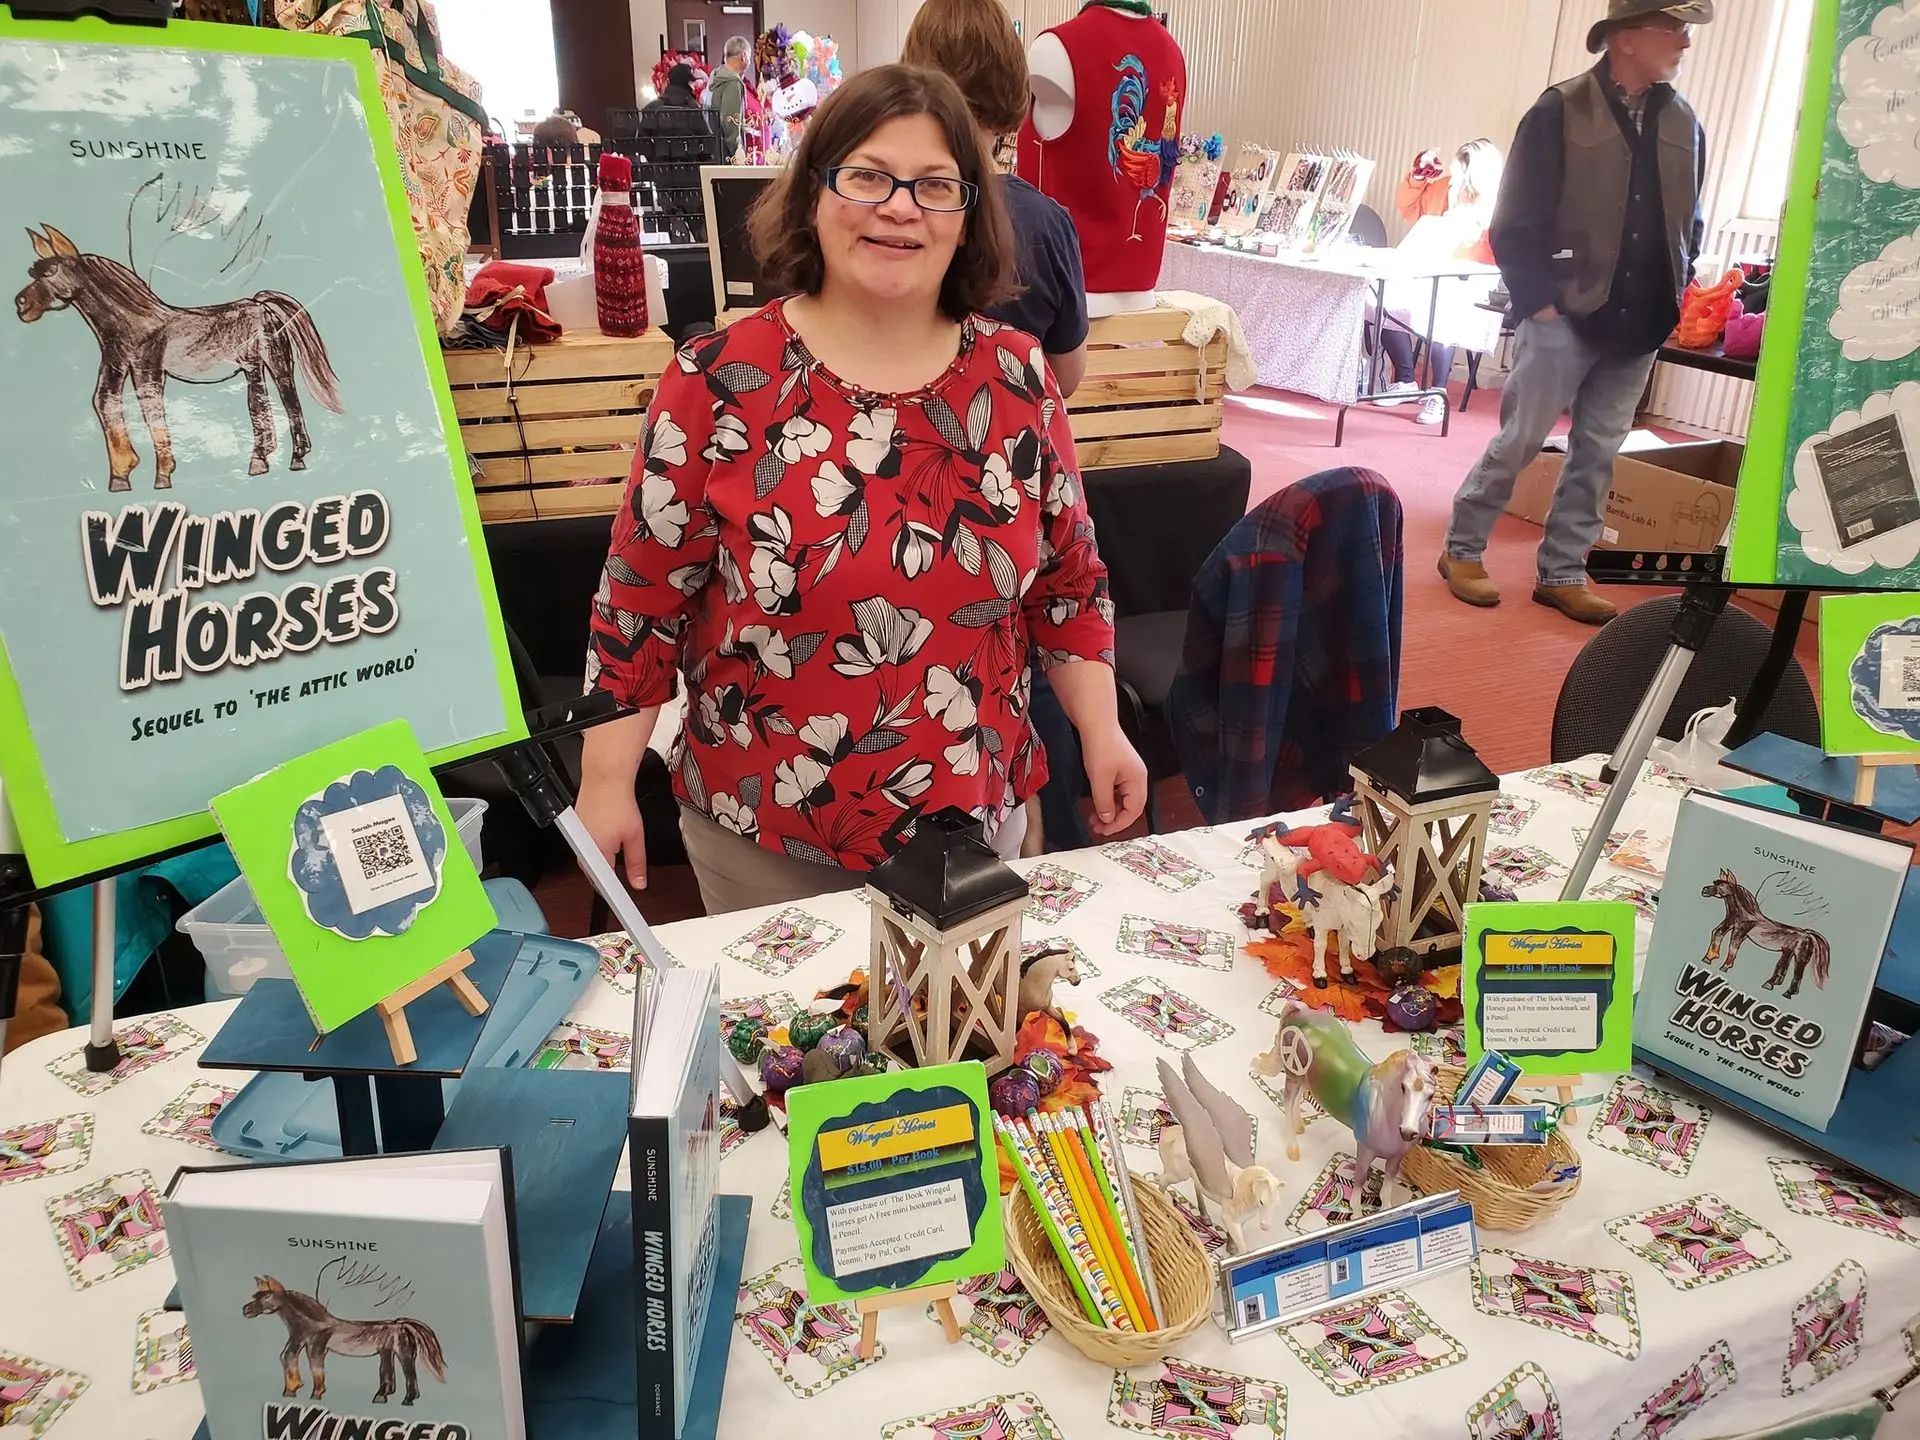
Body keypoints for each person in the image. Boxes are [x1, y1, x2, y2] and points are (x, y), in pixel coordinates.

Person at [576, 64, 1147, 915]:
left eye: (935, 185)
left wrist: (1102, 728)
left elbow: (1067, 585)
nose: (901, 206)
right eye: (869, 175)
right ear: (814, 193)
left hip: (975, 823)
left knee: (968, 1041)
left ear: (967, 216)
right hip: (768, 837)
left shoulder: (1016, 375)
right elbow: (639, 605)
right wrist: (606, 780)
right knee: (789, 1049)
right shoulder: (720, 379)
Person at [1438, 0, 1711, 625]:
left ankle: (1562, 570)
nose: (1685, 43)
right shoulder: (1558, 109)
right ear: (1627, 38)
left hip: (1640, 321)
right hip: (1562, 311)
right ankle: (1462, 549)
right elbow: (1516, 221)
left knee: (1599, 452)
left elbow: (1691, 221)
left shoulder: (1685, 120)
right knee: (1522, 440)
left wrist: (1678, 288)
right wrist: (1541, 306)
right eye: (1674, 29)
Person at [901, 0, 1095, 853]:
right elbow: (1068, 375)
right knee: (1019, 668)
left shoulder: (884, 213)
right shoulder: (1045, 224)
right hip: (1006, 509)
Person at [1377, 139, 1503, 425]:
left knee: (1442, 310)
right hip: (1429, 268)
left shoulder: (1496, 201)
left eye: (1458, 173)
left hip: (1470, 279)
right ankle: (1406, 379)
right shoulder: (1442, 186)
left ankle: (1438, 394)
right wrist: (1419, 176)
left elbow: (1497, 251)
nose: (1452, 178)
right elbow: (1408, 208)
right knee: (1381, 297)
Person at [710, 36, 750, 154]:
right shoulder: (732, 82)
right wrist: (737, 151)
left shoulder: (715, 77)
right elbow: (731, 122)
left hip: (714, 147)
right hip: (727, 153)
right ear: (744, 55)